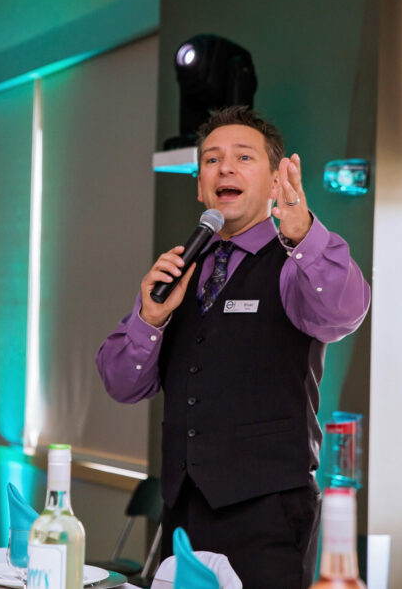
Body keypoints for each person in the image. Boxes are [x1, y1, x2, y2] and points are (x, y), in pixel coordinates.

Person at [96, 105, 370, 589]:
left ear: (274, 180)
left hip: (267, 514)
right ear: (200, 187)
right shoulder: (180, 269)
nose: (225, 167)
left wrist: (305, 232)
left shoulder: (295, 263)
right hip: (183, 511)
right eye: (211, 160)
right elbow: (120, 381)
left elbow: (343, 312)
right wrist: (149, 319)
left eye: (244, 157)